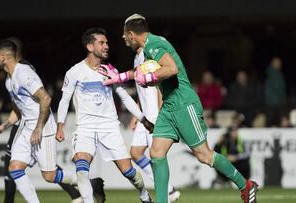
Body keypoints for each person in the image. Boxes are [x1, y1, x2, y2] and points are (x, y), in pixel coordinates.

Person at [98, 14, 258, 203]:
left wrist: (150, 78)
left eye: (125, 35)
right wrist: (121, 77)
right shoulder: (148, 48)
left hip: (184, 104)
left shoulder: (153, 44)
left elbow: (171, 68)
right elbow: (143, 71)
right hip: (169, 107)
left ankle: (245, 185)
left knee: (204, 155)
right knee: (156, 153)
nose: (123, 39)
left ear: (132, 34)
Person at [0, 37, 105, 203]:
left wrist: (38, 128)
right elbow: (19, 108)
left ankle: (88, 183)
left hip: (42, 128)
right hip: (26, 127)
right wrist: (4, 125)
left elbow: (46, 99)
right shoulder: (8, 81)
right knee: (14, 168)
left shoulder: (24, 73)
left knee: (49, 176)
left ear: (3, 56)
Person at [56, 27, 154, 203]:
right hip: (85, 128)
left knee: (129, 172)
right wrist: (60, 125)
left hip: (109, 127)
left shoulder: (110, 70)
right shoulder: (74, 72)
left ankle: (144, 195)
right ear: (90, 47)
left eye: (107, 42)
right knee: (82, 170)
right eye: (102, 43)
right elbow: (64, 100)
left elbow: (125, 97)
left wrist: (143, 119)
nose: (106, 46)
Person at [129, 47, 181, 202]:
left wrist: (161, 114)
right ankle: (170, 190)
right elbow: (140, 89)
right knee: (135, 153)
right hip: (143, 116)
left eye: (126, 34)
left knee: (157, 157)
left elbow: (159, 86)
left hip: (154, 115)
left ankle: (166, 194)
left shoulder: (149, 55)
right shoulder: (136, 58)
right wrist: (136, 113)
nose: (124, 38)